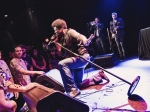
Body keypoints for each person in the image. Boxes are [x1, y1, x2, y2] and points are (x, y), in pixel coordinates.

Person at [50, 18, 94, 97]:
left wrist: (85, 40)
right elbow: (61, 54)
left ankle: (72, 90)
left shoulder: (69, 32)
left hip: (82, 57)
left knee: (61, 64)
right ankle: (98, 77)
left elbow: (79, 35)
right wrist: (56, 43)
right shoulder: (62, 39)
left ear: (62, 28)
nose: (55, 32)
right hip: (76, 63)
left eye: (56, 30)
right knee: (79, 84)